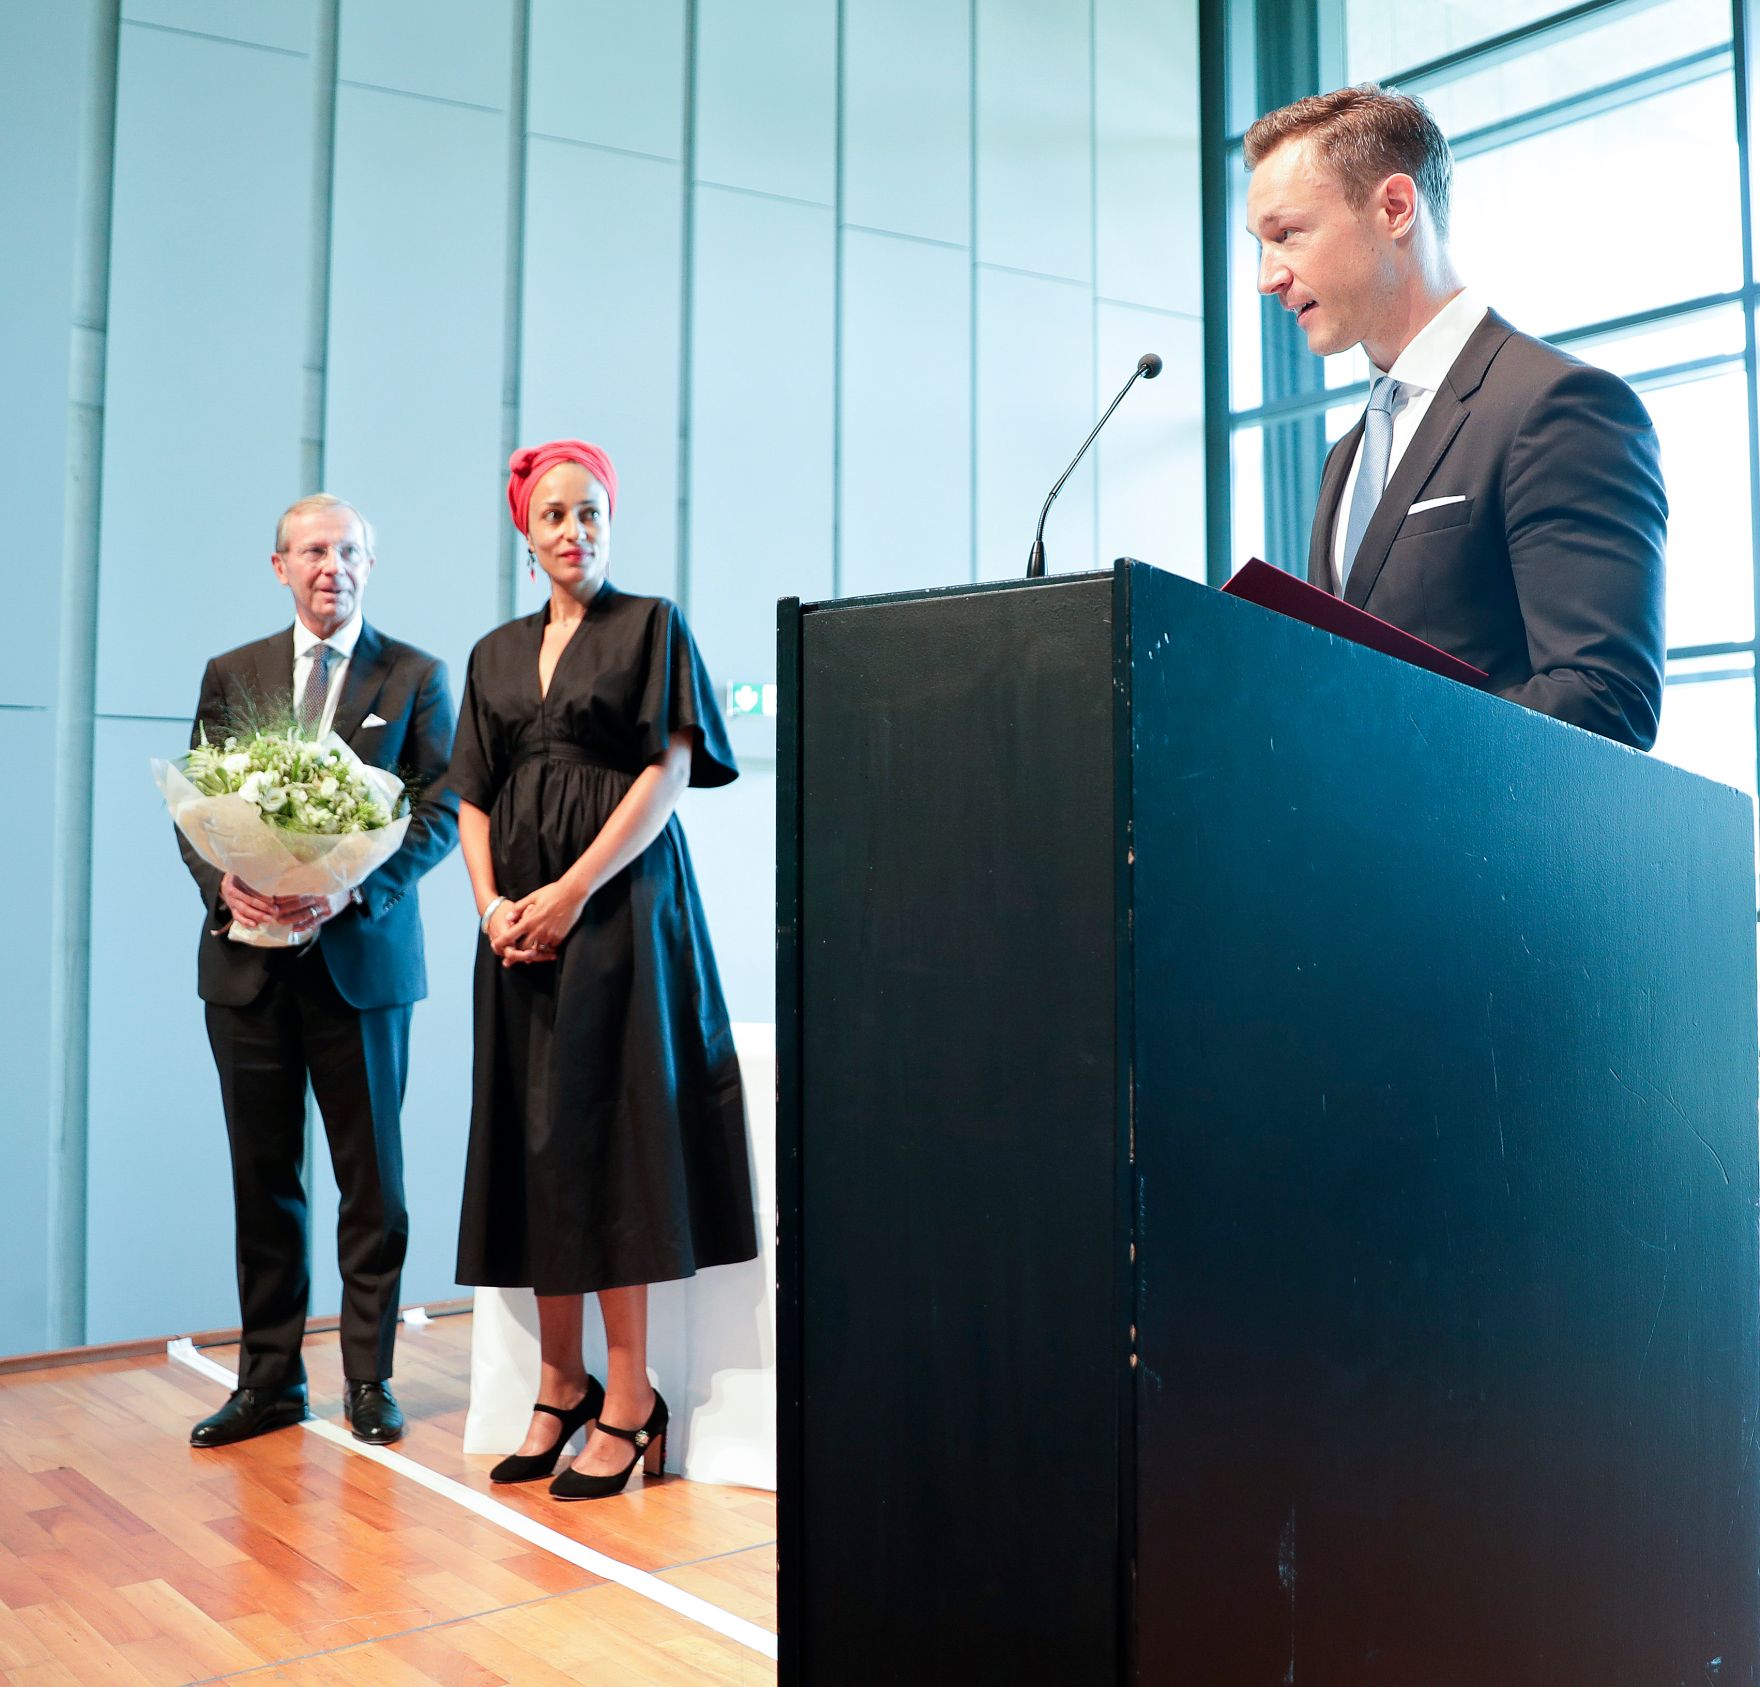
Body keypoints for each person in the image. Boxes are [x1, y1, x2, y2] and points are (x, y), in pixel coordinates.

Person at [449, 439, 756, 1501]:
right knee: (536, 1140)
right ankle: (560, 1382)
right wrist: (493, 906)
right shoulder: (493, 653)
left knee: (609, 1138)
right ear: (526, 535)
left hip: (619, 906)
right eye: (554, 515)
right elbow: (472, 795)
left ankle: (630, 1397)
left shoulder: (650, 624)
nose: (574, 530)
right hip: (517, 926)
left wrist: (571, 891)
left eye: (590, 512)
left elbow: (670, 770)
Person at [1244, 84, 1667, 750]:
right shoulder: (1346, 456)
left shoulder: (1558, 407)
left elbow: (1604, 699)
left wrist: (1384, 746)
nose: (1267, 277)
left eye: (1287, 235)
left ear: (1395, 208)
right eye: (1261, 246)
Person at [179, 494, 458, 1448]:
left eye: (347, 550)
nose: (330, 565)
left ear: (369, 564)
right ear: (281, 566)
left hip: (361, 965)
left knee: (370, 1183)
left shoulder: (415, 674)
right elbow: (196, 808)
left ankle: (369, 1379)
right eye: (311, 550)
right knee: (263, 1179)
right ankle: (269, 1381)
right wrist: (225, 885)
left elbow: (440, 811)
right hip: (247, 967)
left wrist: (351, 890)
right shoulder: (233, 672)